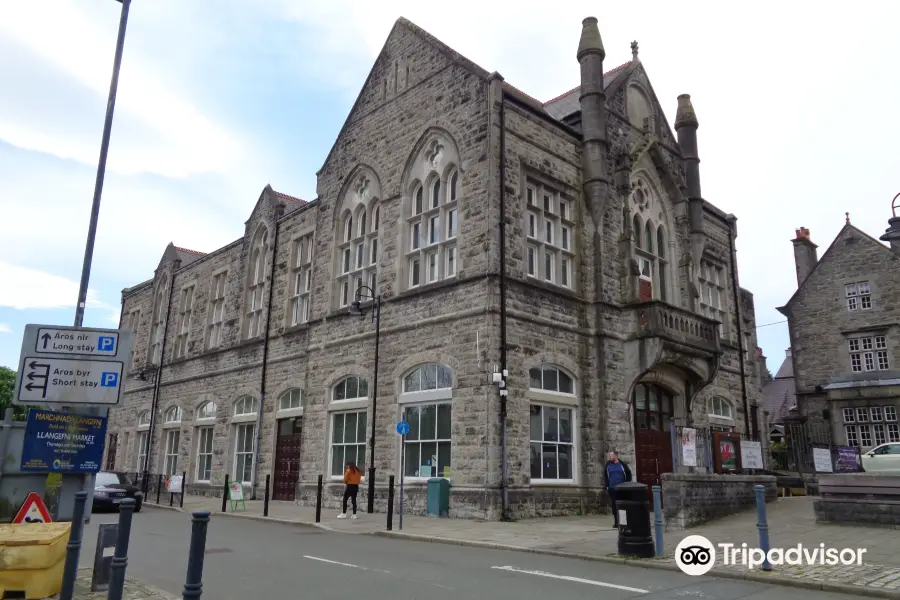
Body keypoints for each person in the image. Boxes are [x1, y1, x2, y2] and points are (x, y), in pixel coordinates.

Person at [603, 451, 632, 527]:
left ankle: (624, 522)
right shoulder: (608, 465)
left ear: (615, 456)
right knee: (614, 505)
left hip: (622, 489)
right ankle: (616, 522)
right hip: (612, 489)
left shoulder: (622, 465)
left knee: (623, 505)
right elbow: (606, 476)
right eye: (609, 456)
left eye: (611, 456)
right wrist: (607, 486)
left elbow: (629, 474)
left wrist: (626, 484)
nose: (609, 457)